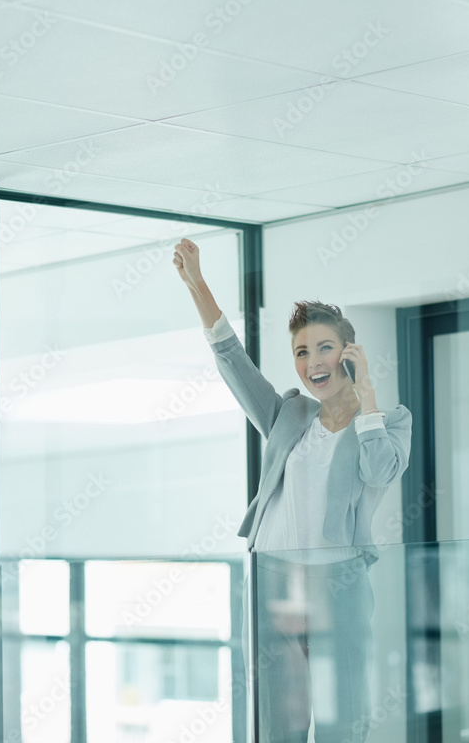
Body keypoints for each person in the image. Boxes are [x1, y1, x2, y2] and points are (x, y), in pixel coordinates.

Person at [172, 237, 412, 743]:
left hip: (338, 585)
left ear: (348, 352)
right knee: (273, 723)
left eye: (324, 347)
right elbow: (233, 361)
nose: (312, 361)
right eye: (302, 352)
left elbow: (380, 473)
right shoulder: (289, 412)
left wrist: (365, 394)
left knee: (342, 721)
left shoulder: (388, 423)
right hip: (271, 579)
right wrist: (198, 285)